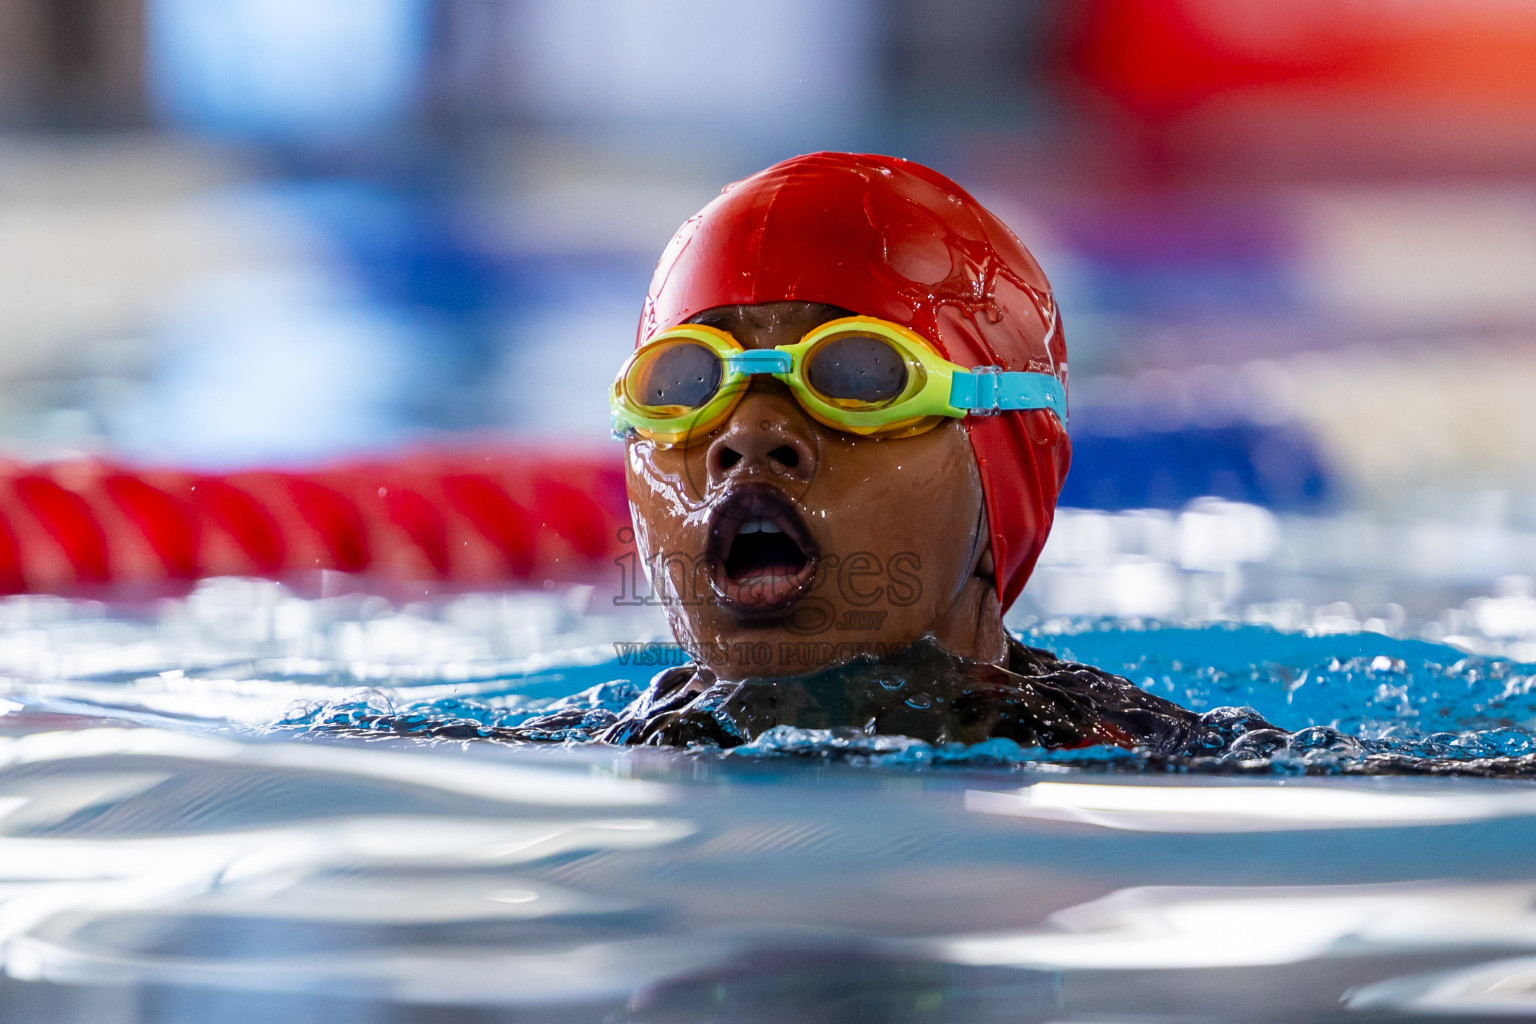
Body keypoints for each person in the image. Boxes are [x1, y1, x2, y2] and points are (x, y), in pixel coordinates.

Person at [518, 152, 1222, 752]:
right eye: (683, 383)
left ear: (1006, 480)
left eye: (859, 378)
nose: (749, 434)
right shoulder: (574, 755)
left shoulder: (1141, 761)